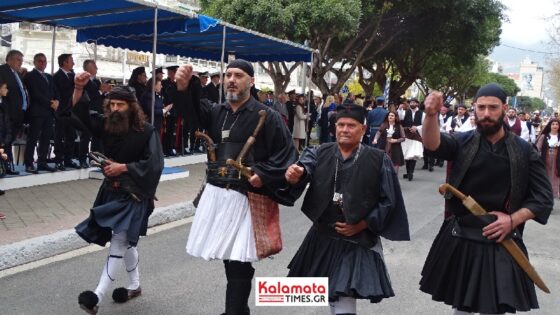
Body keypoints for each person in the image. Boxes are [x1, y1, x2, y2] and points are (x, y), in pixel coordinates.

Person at [175, 59, 297, 315]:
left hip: (248, 196)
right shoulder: (217, 112)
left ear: (251, 81)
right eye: (228, 74)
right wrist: (184, 88)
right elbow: (193, 116)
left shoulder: (268, 115)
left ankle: (234, 312)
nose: (231, 79)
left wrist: (262, 174)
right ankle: (238, 311)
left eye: (238, 75)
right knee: (230, 256)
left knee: (240, 259)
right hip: (219, 192)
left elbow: (286, 154)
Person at [420, 83, 553, 314]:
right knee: (462, 307)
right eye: (481, 107)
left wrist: (513, 219)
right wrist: (430, 114)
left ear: (504, 108)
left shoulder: (524, 150)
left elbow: (543, 198)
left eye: (493, 107)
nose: (486, 114)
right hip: (462, 235)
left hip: (503, 239)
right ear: (474, 108)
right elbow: (433, 144)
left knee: (494, 309)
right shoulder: (462, 142)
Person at [285, 104, 409, 315]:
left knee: (343, 295)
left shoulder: (378, 159)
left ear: (363, 129)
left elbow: (388, 201)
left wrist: (363, 224)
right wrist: (296, 172)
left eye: (351, 125)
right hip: (323, 235)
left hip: (356, 239)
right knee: (329, 291)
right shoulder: (319, 151)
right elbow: (304, 166)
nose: (344, 129)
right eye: (340, 125)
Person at [71, 74, 164, 314]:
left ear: (131, 107)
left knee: (120, 241)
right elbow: (79, 115)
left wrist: (124, 167)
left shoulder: (147, 131)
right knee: (128, 240)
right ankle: (134, 285)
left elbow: (154, 164)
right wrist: (78, 89)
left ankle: (96, 297)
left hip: (134, 194)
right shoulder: (106, 124)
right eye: (111, 104)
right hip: (111, 191)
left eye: (119, 105)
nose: (114, 109)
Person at [23, 53, 59, 173]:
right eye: (40, 61)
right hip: (37, 112)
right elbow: (35, 93)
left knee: (46, 138)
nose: (43, 63)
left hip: (49, 113)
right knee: (33, 138)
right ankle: (28, 163)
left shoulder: (49, 77)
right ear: (34, 62)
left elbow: (55, 91)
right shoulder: (30, 76)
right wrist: (50, 103)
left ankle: (42, 162)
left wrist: (57, 101)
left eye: (44, 61)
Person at [0, 50, 28, 175]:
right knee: (5, 141)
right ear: (9, 59)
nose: (20, 62)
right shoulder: (2, 70)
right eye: (18, 59)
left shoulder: (17, 74)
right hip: (7, 113)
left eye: (21, 60)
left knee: (9, 141)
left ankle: (8, 166)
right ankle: (6, 166)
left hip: (18, 114)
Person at [53, 53, 80, 170]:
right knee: (59, 136)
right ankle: (58, 159)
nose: (73, 63)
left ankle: (68, 159)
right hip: (61, 111)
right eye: (71, 61)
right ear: (64, 62)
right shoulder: (57, 76)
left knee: (71, 136)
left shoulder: (74, 75)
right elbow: (56, 93)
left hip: (72, 112)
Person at [535, 118, 560, 198]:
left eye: (556, 124)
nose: (555, 126)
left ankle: (553, 194)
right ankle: (545, 193)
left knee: (555, 177)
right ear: (550, 126)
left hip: (557, 161)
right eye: (553, 124)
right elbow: (537, 148)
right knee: (545, 176)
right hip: (545, 159)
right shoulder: (544, 136)